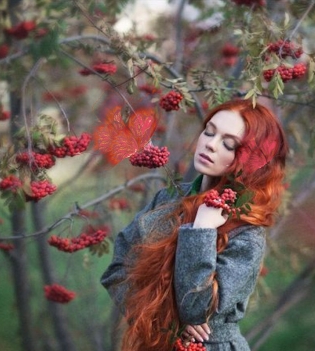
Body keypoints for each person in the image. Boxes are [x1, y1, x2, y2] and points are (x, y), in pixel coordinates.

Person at [101, 99, 288, 351]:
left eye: (228, 144)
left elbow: (195, 309)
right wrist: (157, 321)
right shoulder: (168, 199)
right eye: (209, 131)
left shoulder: (246, 232)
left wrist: (202, 230)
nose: (210, 144)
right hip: (156, 343)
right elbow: (116, 272)